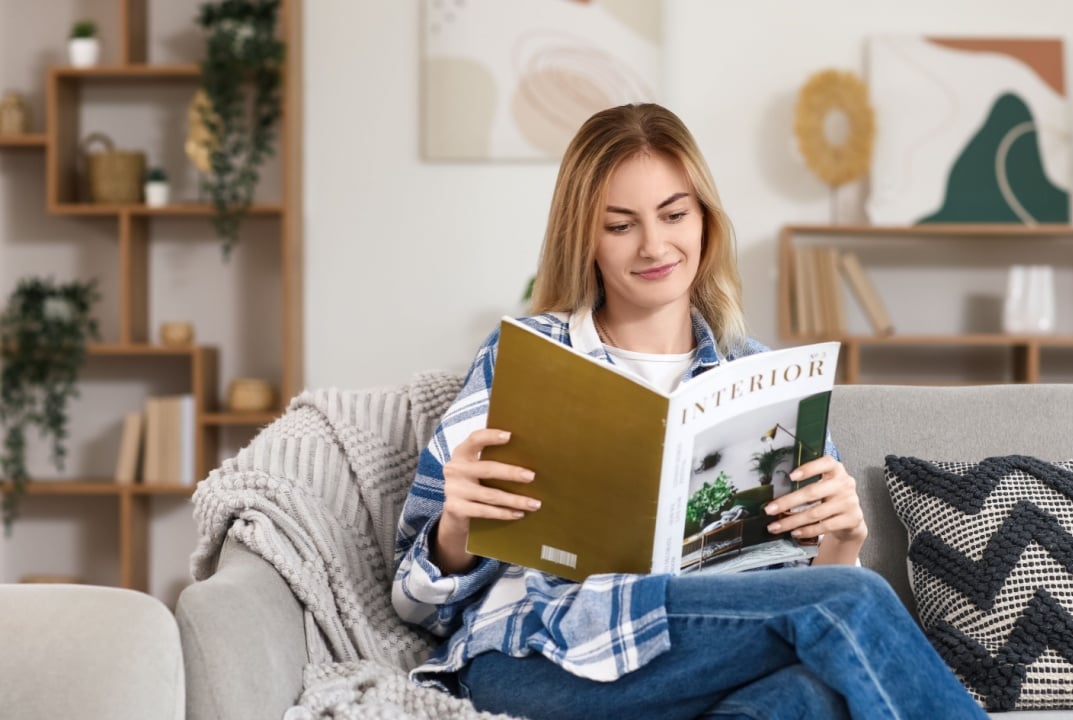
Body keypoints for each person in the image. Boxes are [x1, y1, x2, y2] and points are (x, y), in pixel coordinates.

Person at [393, 103, 987, 720]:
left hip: (697, 653)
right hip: (539, 659)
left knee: (808, 695)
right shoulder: (525, 357)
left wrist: (842, 539)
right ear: (584, 238)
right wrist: (456, 527)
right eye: (619, 225)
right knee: (853, 604)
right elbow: (414, 605)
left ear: (705, 220)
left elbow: (804, 589)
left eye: (674, 214)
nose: (654, 245)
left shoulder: (761, 378)